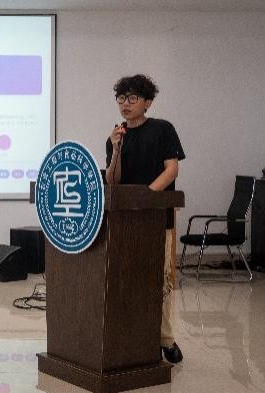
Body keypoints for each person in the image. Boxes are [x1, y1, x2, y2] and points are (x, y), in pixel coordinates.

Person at [105, 74, 186, 364]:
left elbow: (171, 170)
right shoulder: (117, 136)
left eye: (132, 98)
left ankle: (165, 339)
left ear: (147, 102)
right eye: (121, 98)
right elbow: (113, 180)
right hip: (126, 223)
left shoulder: (162, 129)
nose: (124, 104)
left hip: (157, 218)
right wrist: (115, 149)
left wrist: (146, 197)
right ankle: (135, 337)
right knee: (130, 280)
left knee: (159, 281)